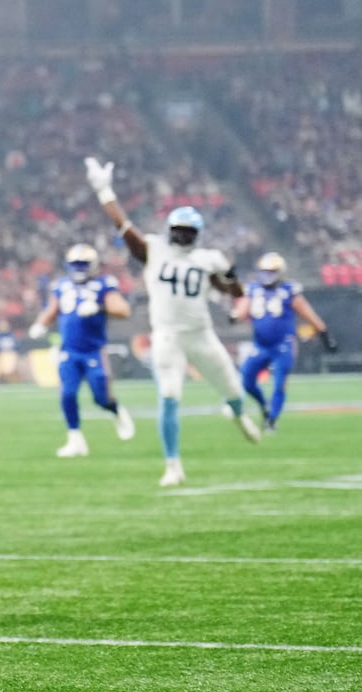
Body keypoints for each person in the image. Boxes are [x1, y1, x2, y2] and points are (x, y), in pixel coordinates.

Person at [84, 157, 260, 487]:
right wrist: (104, 191)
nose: (180, 236)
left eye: (186, 232)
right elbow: (123, 227)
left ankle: (239, 415)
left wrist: (230, 273)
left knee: (233, 389)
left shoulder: (206, 259)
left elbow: (234, 291)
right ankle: (173, 464)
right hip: (167, 337)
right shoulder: (154, 250)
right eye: (177, 231)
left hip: (201, 335)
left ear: (195, 234)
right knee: (168, 396)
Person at [27, 243, 137, 457]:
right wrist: (40, 324)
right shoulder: (61, 285)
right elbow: (52, 309)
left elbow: (123, 310)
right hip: (69, 351)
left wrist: (99, 307)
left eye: (83, 264)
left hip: (94, 350)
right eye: (75, 264)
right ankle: (75, 438)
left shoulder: (104, 284)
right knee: (67, 394)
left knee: (101, 397)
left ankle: (115, 411)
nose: (79, 268)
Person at [236, 252, 338, 433]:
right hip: (260, 345)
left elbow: (307, 313)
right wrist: (234, 315)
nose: (267, 275)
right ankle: (264, 406)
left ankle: (272, 420)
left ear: (280, 272)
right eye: (264, 271)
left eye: (271, 271)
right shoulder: (253, 289)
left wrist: (324, 334)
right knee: (246, 380)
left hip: (282, 345)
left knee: (279, 383)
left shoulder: (289, 290)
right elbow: (241, 310)